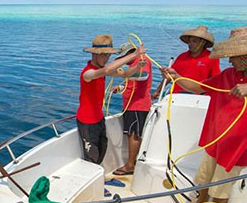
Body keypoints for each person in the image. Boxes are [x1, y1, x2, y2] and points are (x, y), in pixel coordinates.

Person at [162, 27, 247, 203]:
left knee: (220, 191)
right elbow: (198, 88)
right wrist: (176, 77)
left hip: (236, 148)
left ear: (246, 56)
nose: (229, 61)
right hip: (214, 142)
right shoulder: (229, 74)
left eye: (232, 56)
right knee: (203, 183)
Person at [76, 34, 145, 164]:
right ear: (95, 54)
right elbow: (107, 70)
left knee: (103, 149)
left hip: (99, 119)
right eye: (104, 54)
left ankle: (100, 178)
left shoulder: (101, 69)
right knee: (91, 156)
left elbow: (125, 74)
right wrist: (134, 54)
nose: (107, 58)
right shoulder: (88, 73)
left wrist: (137, 67)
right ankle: (94, 182)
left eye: (108, 55)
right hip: (87, 121)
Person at [111, 44, 152, 176]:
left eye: (124, 56)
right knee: (130, 133)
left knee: (134, 134)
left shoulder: (141, 61)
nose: (123, 59)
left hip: (138, 105)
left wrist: (122, 73)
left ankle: (130, 166)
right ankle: (130, 164)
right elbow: (131, 82)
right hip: (130, 104)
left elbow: (142, 76)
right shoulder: (133, 64)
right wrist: (120, 88)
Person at [153, 25, 219, 99]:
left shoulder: (212, 58)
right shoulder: (182, 56)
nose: (190, 44)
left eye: (194, 41)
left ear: (202, 43)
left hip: (198, 98)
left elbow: (216, 81)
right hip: (176, 96)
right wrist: (157, 91)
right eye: (189, 41)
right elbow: (169, 76)